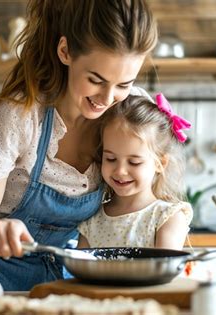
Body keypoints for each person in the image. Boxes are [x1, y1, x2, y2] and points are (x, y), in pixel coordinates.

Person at [0, 0, 158, 291]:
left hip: (69, 287)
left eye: (123, 84)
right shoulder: (21, 117)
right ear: (65, 51)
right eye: (96, 80)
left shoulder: (128, 114)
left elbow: (144, 202)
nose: (107, 97)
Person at [77, 94, 193, 249]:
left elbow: (164, 271)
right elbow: (82, 270)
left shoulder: (166, 217)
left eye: (134, 162)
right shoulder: (92, 219)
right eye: (111, 159)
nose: (120, 171)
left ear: (161, 163)